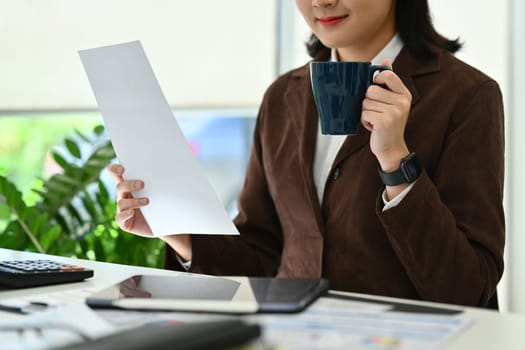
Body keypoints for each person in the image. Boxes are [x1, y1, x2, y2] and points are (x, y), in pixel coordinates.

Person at [108, 0, 505, 308]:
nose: (322, 1)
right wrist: (179, 232)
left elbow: (468, 287)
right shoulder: (283, 97)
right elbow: (262, 255)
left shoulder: (466, 96)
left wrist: (397, 164)